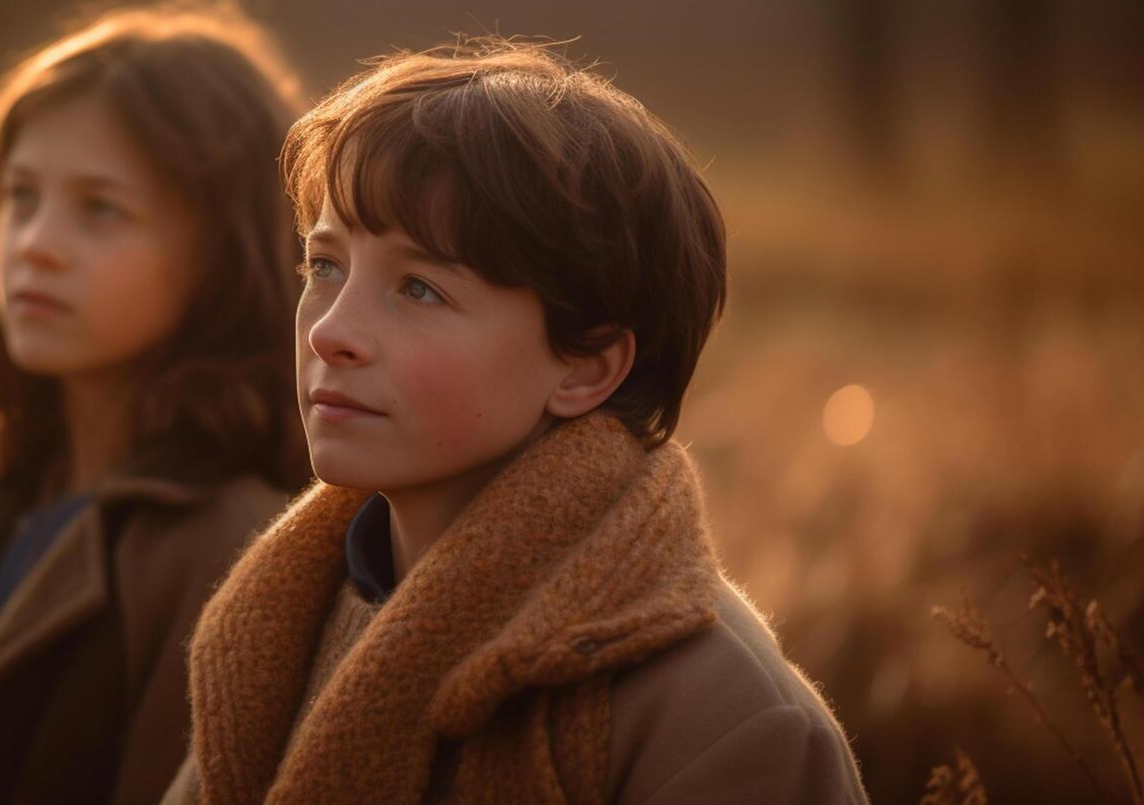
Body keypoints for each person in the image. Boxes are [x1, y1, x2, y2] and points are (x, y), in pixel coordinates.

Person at [163, 39, 869, 804]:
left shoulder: (726, 725)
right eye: (324, 266)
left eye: (418, 289)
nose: (330, 330)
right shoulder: (272, 635)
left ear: (587, 365)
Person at [0, 0, 307, 805]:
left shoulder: (231, 555)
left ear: (224, 253)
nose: (34, 245)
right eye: (20, 197)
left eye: (100, 210)